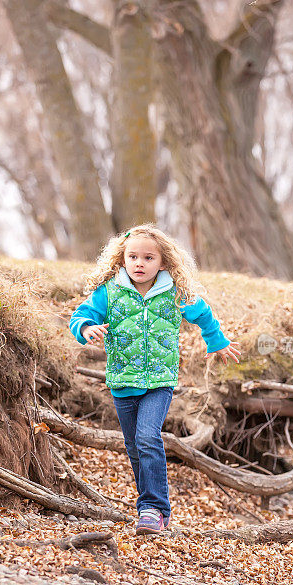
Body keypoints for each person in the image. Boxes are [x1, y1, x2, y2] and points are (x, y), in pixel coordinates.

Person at [69, 223, 240, 535]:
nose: (139, 263)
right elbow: (80, 316)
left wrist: (217, 342)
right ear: (122, 259)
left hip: (159, 382)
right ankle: (150, 507)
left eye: (148, 258)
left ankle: (153, 508)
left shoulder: (173, 294)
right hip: (122, 383)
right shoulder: (110, 293)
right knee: (135, 447)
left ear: (163, 263)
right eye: (133, 256)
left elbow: (202, 313)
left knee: (148, 437)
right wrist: (85, 329)